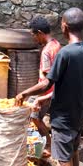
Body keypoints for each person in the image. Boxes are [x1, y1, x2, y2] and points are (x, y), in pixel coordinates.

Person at [16, 7, 83, 166]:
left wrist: (24, 93)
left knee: (63, 161)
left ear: (64, 26)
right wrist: (48, 98)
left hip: (63, 118)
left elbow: (46, 83)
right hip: (79, 114)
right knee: (73, 152)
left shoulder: (65, 53)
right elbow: (68, 83)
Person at [27, 16, 62, 158]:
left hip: (46, 91)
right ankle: (44, 140)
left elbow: (48, 79)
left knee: (34, 116)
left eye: (34, 35)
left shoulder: (47, 51)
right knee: (33, 115)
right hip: (52, 91)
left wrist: (40, 96)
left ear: (40, 32)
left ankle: (47, 143)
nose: (34, 38)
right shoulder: (57, 45)